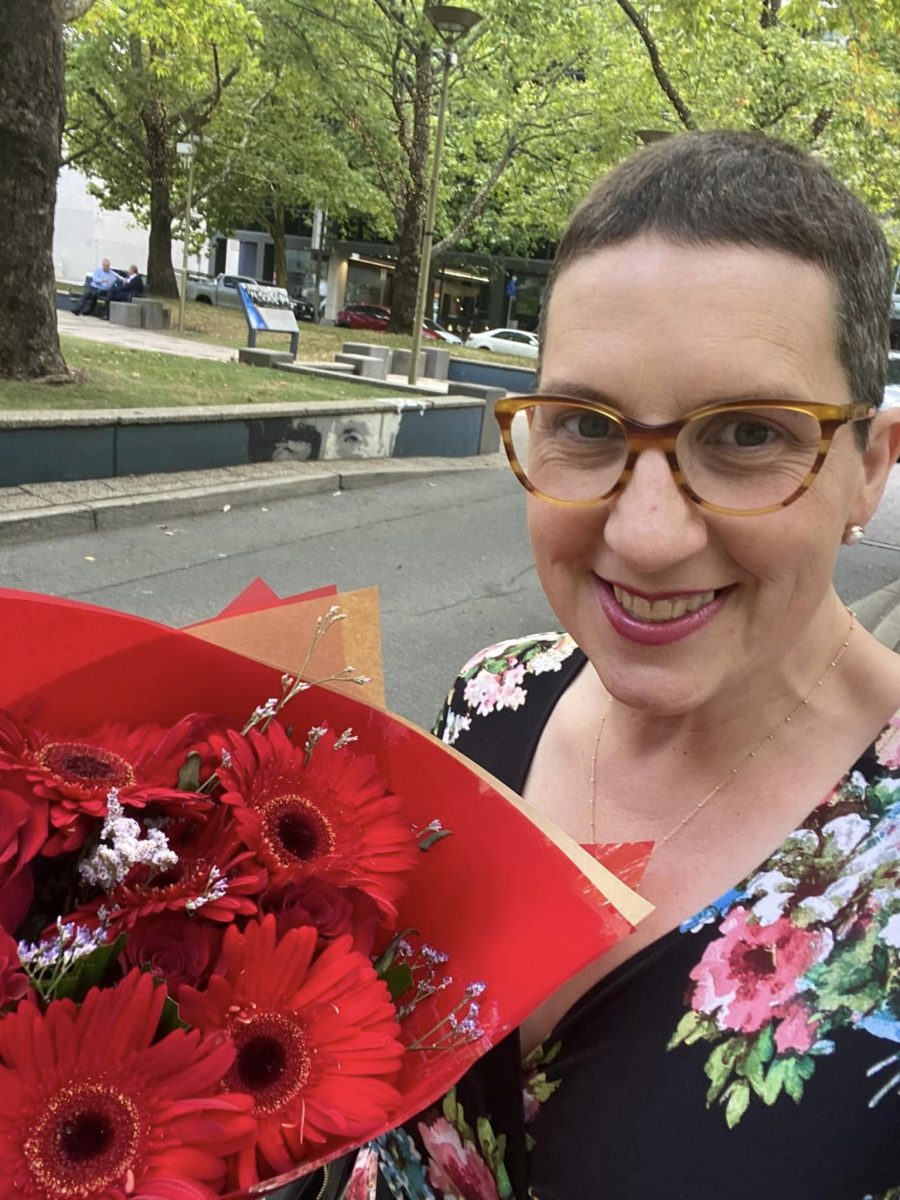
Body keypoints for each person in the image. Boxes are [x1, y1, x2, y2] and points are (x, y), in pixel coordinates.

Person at [367, 130, 900, 1199]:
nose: (647, 534)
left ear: (869, 471)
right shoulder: (483, 708)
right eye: (584, 425)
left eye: (750, 434)